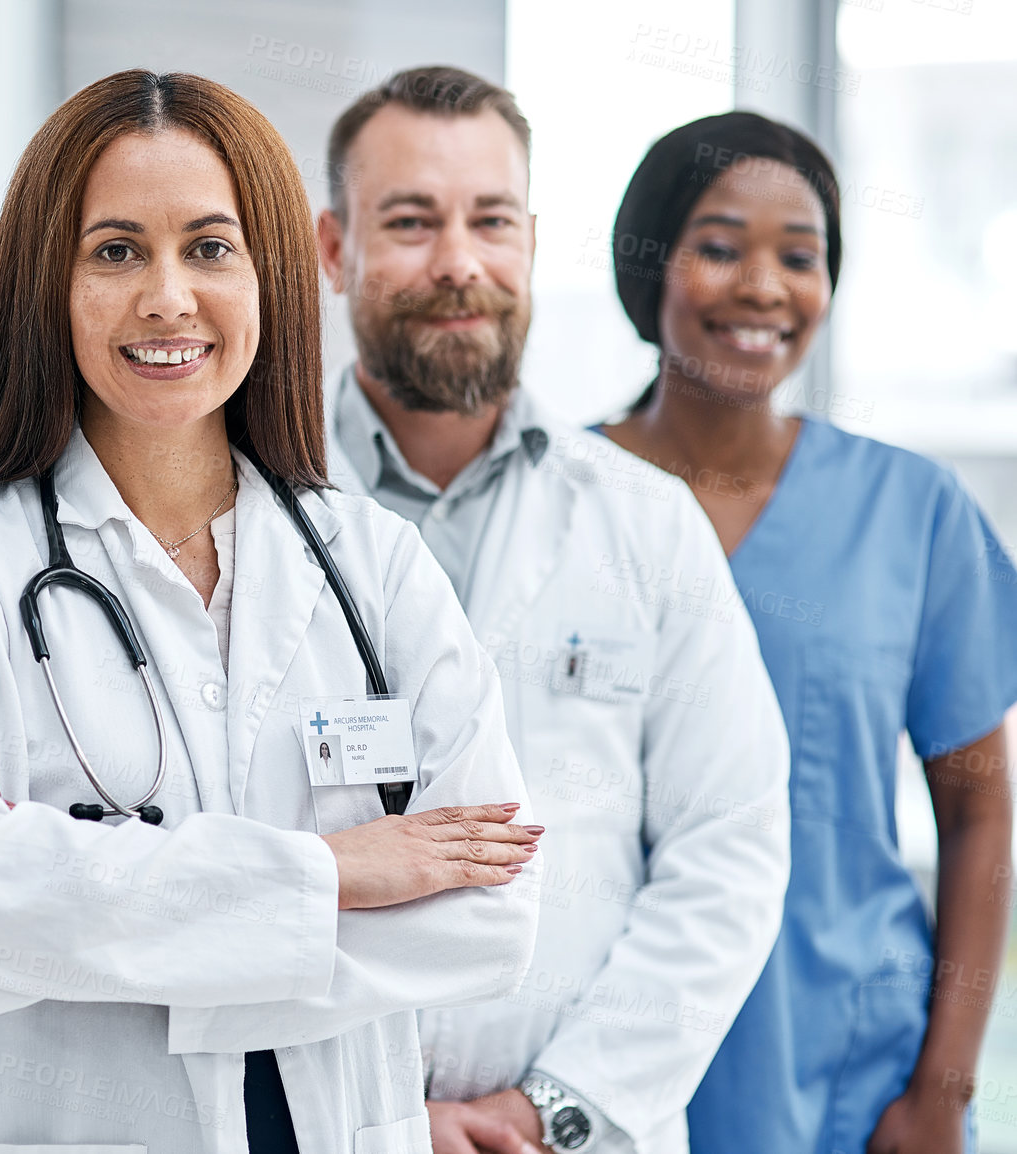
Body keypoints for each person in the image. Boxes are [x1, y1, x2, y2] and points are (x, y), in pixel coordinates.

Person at [0, 69, 543, 1152]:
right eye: (116, 250)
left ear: (270, 273)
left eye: (209, 248)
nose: (167, 295)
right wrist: (342, 872)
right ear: (49, 282)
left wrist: (93, 913)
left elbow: (489, 918)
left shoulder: (374, 563)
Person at [316, 67, 791, 1154]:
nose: (458, 263)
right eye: (410, 222)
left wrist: (552, 1108)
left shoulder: (643, 523)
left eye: (490, 221)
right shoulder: (241, 519)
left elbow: (729, 847)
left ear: (528, 241)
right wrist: (378, 1122)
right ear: (335, 248)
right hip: (323, 1121)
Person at [597, 111, 1017, 1154]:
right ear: (647, 264)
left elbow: (978, 813)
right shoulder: (556, 502)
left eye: (800, 256)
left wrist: (939, 1090)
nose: (762, 287)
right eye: (719, 245)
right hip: (593, 1056)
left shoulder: (911, 512)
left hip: (845, 1069)